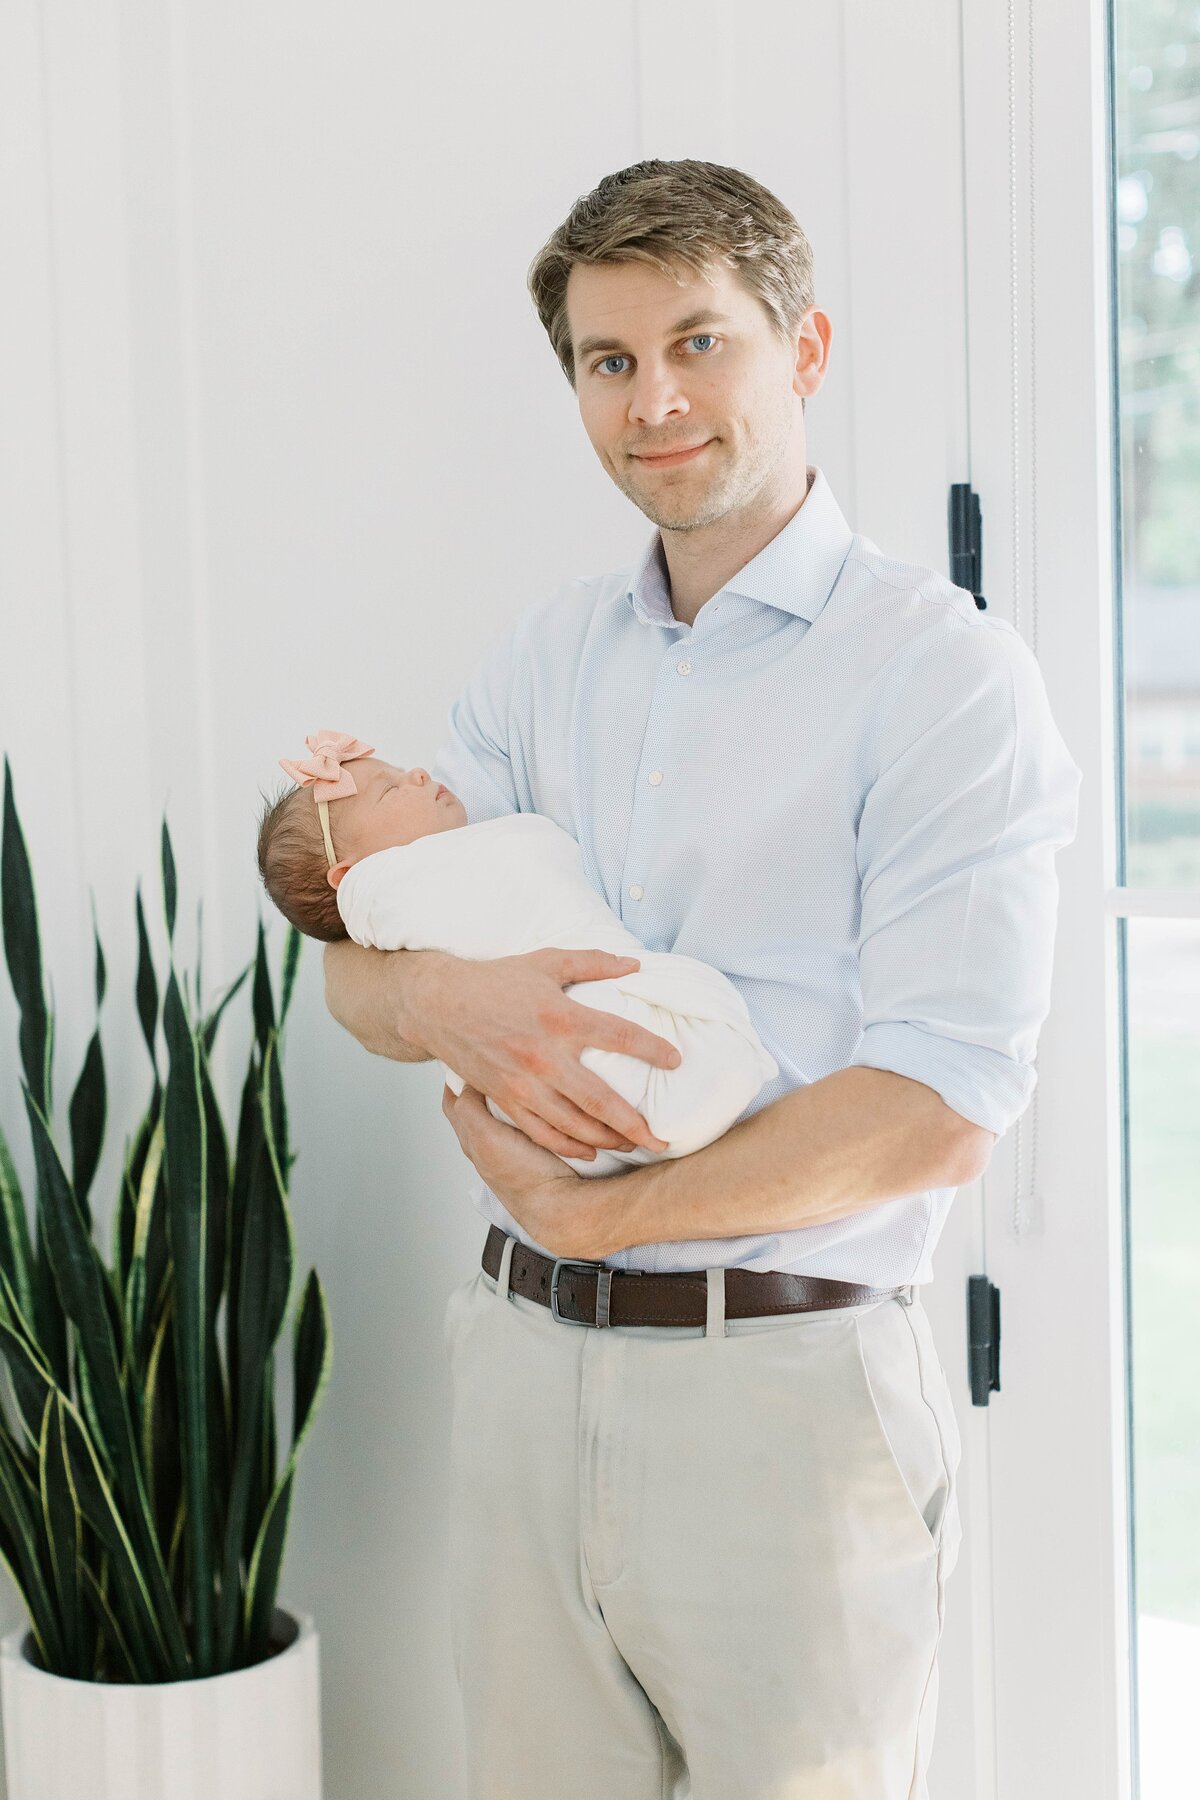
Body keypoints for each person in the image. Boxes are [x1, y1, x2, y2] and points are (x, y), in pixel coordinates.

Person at [323, 159, 1083, 1798]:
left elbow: (943, 1107)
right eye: (608, 361)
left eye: (699, 344)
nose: (654, 400)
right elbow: (356, 965)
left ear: (803, 352)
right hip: (525, 1378)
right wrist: (443, 1004)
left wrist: (601, 1215)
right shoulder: (541, 659)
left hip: (787, 1401)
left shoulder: (945, 678)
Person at [256, 730, 778, 1173]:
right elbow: (347, 963)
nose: (417, 774)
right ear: (352, 878)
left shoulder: (447, 860)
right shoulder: (390, 893)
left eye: (399, 771)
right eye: (389, 791)